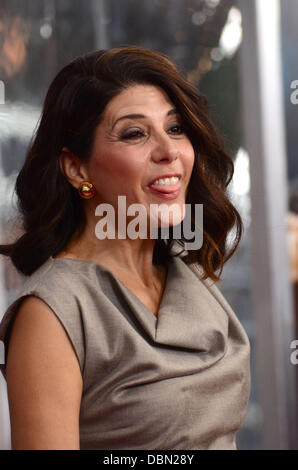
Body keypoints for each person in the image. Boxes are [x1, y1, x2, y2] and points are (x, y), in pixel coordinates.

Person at [0, 46, 250, 450]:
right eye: (135, 133)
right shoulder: (53, 312)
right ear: (77, 168)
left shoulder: (186, 274)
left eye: (175, 128)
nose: (169, 151)